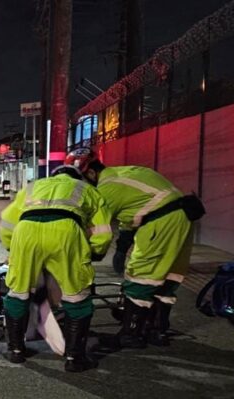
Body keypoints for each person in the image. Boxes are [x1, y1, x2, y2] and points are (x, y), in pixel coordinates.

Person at [65, 148, 200, 348]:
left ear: (91, 173)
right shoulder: (129, 172)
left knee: (140, 276)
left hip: (159, 223)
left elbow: (92, 225)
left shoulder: (107, 189)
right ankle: (157, 330)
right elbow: (129, 215)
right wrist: (122, 248)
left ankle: (131, 334)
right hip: (183, 217)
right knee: (168, 276)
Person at [0, 164, 113, 372]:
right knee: (76, 295)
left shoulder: (33, 187)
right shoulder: (86, 189)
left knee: (18, 292)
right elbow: (102, 230)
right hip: (66, 231)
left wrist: (12, 247)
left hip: (26, 232)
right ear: (77, 177)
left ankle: (15, 350)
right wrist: (95, 251)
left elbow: (7, 221)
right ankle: (74, 357)